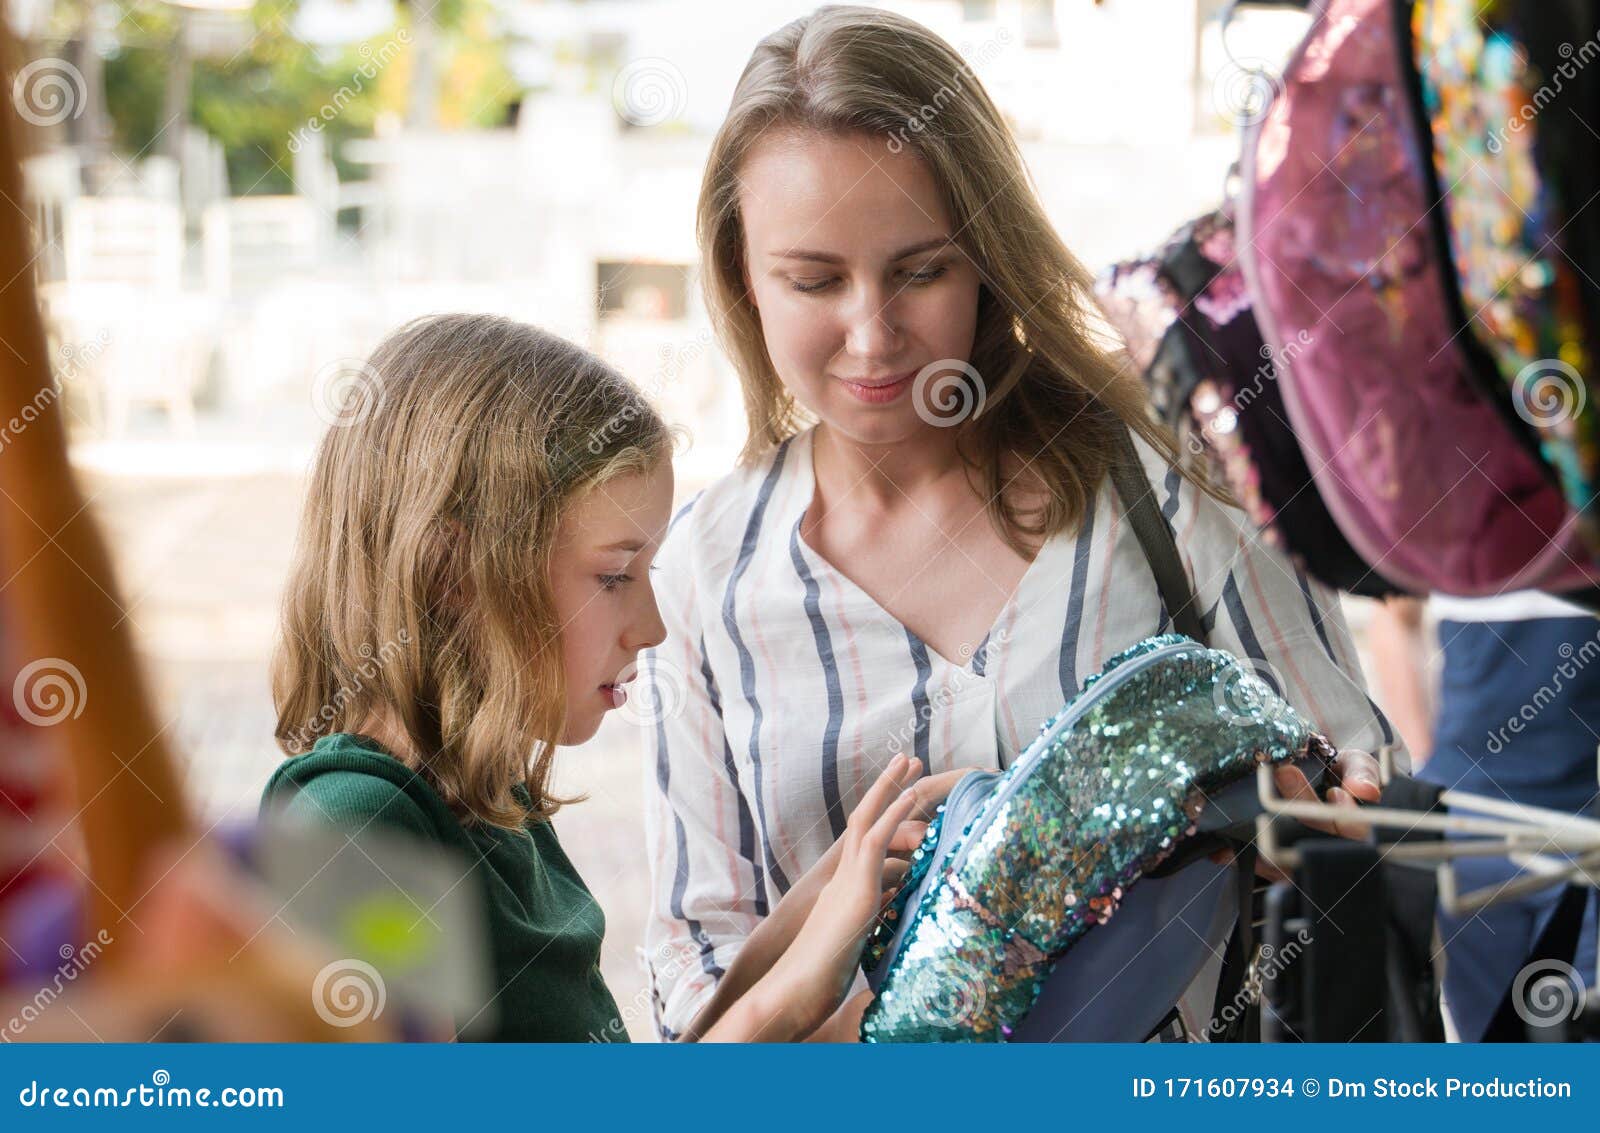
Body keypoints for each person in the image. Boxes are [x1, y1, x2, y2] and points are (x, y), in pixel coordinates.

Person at [643, 4, 1392, 1040]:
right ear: (740, 276)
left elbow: (1357, 788)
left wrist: (1306, 814)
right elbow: (697, 972)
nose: (873, 335)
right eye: (813, 278)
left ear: (988, 257)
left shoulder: (1174, 477)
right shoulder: (700, 575)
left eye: (921, 269)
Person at [259, 313, 965, 1041]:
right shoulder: (352, 830)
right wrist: (787, 1003)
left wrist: (817, 905)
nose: (652, 627)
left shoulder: (495, 798)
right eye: (614, 575)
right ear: (452, 573)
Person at [1369, 592, 1599, 1042]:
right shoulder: (1451, 529)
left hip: (1583, 834)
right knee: (1493, 1047)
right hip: (1471, 831)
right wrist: (1426, 757)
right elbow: (1394, 615)